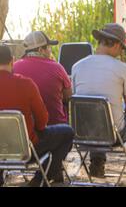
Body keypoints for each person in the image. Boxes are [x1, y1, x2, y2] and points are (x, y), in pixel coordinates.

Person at [71, 23, 126, 187]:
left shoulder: (77, 67)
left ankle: (97, 164)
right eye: (121, 49)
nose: (121, 53)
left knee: (94, 114)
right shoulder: (123, 69)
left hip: (82, 135)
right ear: (117, 44)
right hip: (114, 135)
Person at [0, 44, 74, 186]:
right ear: (12, 60)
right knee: (67, 132)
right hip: (26, 150)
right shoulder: (26, 84)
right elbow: (42, 121)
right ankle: (42, 177)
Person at [14, 31, 72, 125]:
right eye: (49, 47)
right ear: (41, 50)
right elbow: (69, 98)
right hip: (55, 127)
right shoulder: (57, 67)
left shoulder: (14, 67)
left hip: (24, 130)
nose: (50, 51)